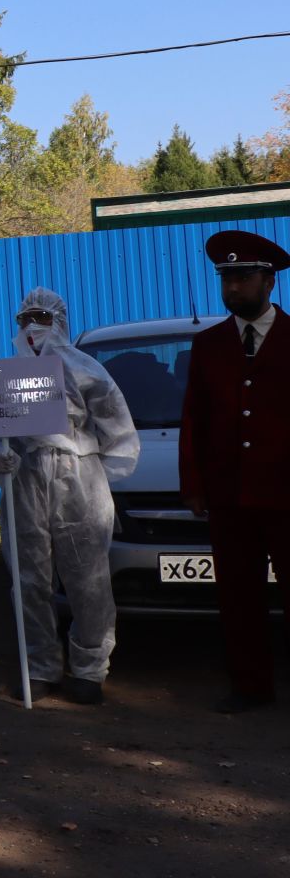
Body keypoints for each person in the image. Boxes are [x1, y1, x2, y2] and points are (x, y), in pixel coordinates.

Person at [0, 289, 138, 705]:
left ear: (59, 321)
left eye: (41, 318)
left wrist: (103, 475)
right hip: (27, 478)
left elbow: (117, 430)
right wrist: (0, 458)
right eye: (25, 318)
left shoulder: (88, 372)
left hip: (78, 478)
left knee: (88, 579)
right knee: (29, 579)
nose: (32, 327)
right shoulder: (4, 375)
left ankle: (89, 668)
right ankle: (40, 667)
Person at [179, 230, 290, 714]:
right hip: (230, 496)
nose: (233, 288)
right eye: (226, 279)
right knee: (239, 598)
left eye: (243, 278)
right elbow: (194, 420)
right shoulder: (209, 344)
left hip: (286, 495)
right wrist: (195, 485)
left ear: (269, 282)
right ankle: (251, 686)